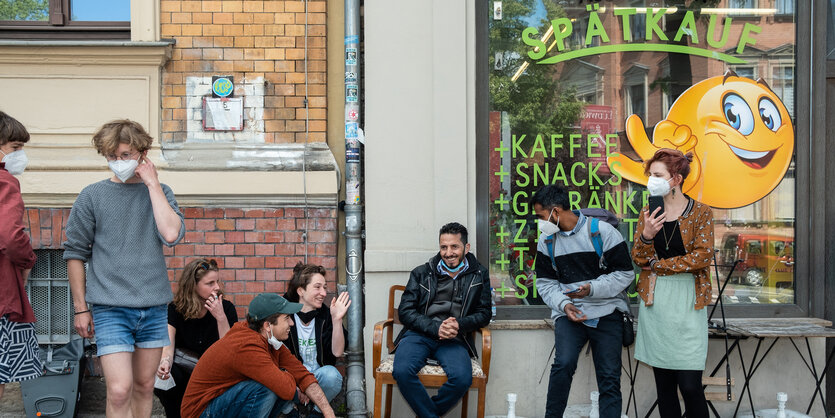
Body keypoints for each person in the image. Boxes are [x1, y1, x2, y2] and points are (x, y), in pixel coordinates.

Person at [64, 120, 185, 417]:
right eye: (112, 157)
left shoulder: (161, 191)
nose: (118, 162)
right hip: (110, 307)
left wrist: (153, 184)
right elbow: (75, 253)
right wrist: (81, 308)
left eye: (126, 155)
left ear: (143, 153)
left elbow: (171, 234)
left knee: (145, 386)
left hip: (153, 306)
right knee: (119, 390)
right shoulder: (92, 195)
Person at [531, 185, 634, 418]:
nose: (540, 222)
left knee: (609, 376)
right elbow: (545, 284)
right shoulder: (547, 241)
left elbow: (626, 274)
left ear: (555, 212)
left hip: (607, 311)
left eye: (541, 216)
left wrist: (592, 289)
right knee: (563, 365)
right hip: (570, 313)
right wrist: (564, 305)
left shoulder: (603, 232)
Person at [631, 148, 714, 418]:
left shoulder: (700, 212)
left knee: (690, 386)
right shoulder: (648, 211)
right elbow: (638, 257)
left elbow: (702, 257)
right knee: (664, 387)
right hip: (656, 302)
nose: (651, 180)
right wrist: (646, 234)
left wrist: (658, 265)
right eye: (650, 175)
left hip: (689, 301)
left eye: (657, 175)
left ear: (675, 179)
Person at [392, 222, 491, 418]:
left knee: (462, 379)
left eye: (454, 246)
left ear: (466, 247)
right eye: (443, 247)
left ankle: (428, 414)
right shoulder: (422, 272)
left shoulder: (479, 274)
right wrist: (435, 327)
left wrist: (459, 325)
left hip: (455, 338)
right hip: (419, 334)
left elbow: (484, 313)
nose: (448, 252)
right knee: (402, 371)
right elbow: (405, 311)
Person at [180, 293, 336, 418]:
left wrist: (328, 412)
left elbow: (302, 374)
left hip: (221, 404)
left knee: (276, 384)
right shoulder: (247, 345)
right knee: (267, 387)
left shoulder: (269, 340)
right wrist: (287, 376)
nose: (292, 324)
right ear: (268, 325)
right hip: (200, 412)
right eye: (287, 318)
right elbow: (287, 388)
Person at [154, 258, 238, 417]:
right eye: (210, 283)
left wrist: (220, 317)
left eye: (217, 281)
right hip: (184, 370)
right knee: (167, 376)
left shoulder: (226, 309)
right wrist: (164, 362)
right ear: (193, 285)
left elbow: (230, 353)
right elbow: (168, 346)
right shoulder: (175, 309)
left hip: (212, 373)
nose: (217, 287)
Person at [0, 111, 40, 399]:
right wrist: (28, 259)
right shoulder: (5, 181)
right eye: (15, 147)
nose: (21, 155)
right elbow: (11, 236)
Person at [283, 262, 350, 417]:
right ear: (300, 290)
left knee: (332, 376)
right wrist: (301, 384)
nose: (324, 293)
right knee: (273, 380)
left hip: (317, 378)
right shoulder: (284, 315)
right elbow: (278, 359)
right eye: (317, 287)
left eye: (325, 287)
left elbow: (337, 351)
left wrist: (337, 320)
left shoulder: (325, 315)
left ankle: (316, 413)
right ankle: (292, 412)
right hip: (292, 379)